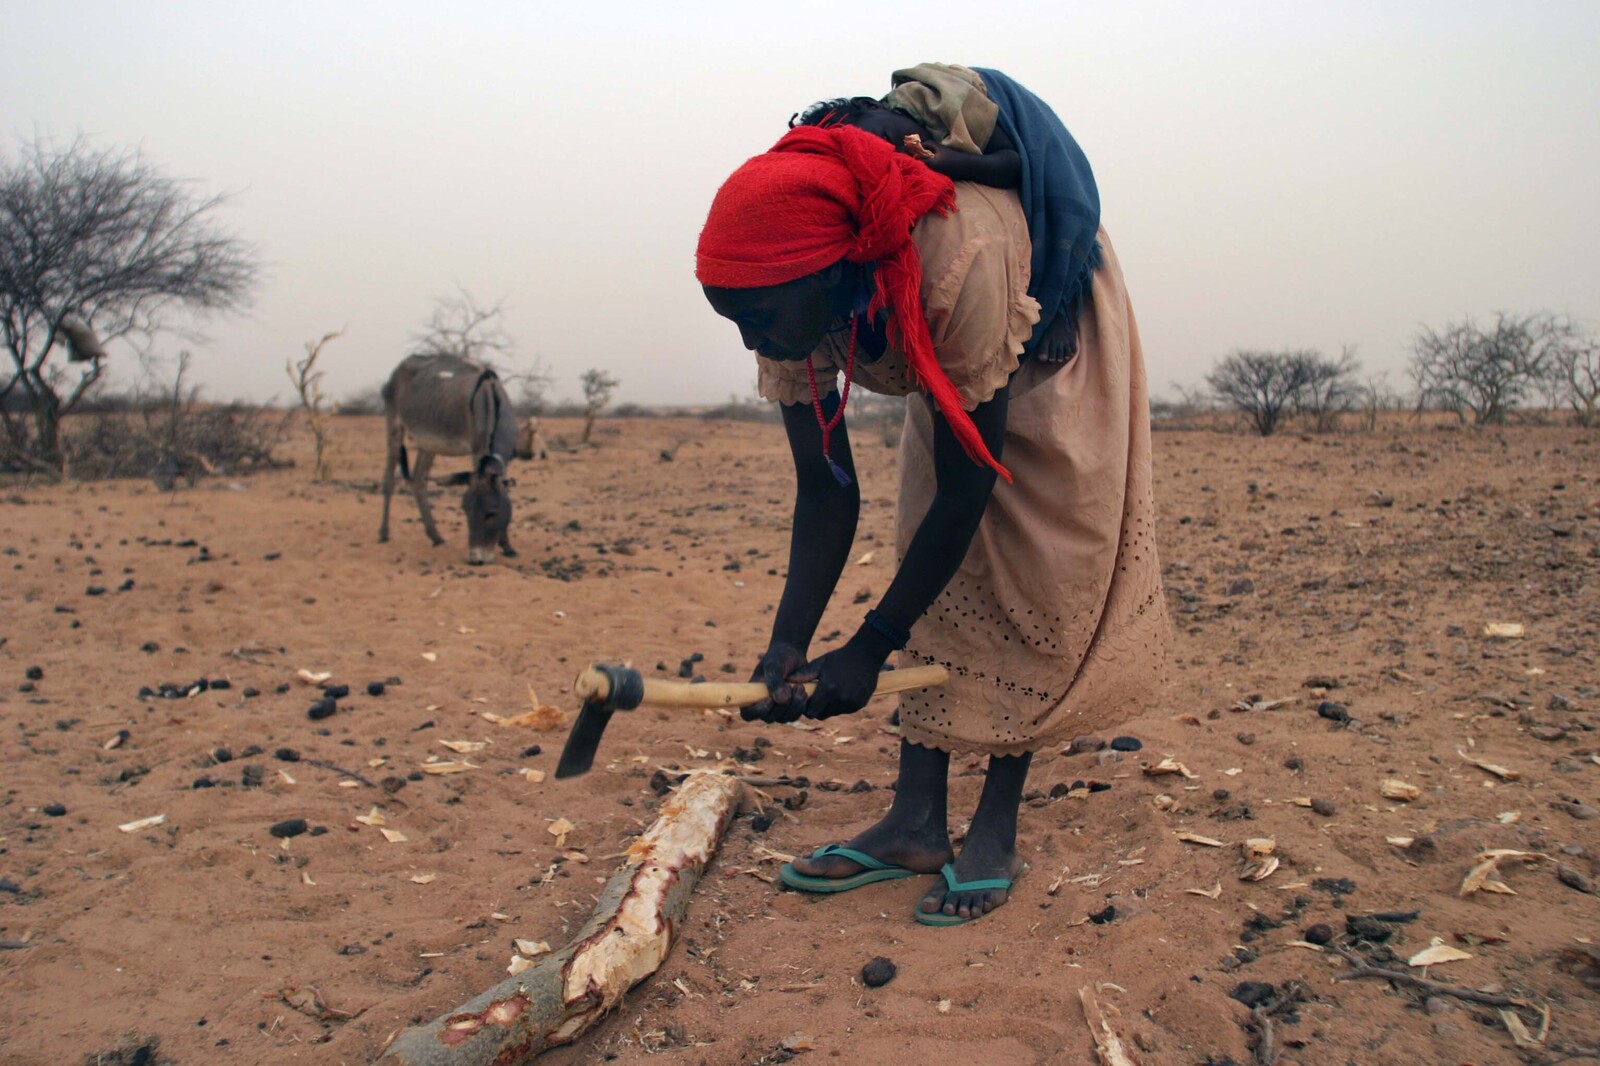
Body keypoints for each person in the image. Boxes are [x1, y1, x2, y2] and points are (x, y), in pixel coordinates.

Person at [696, 121, 1168, 925]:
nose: (752, 340)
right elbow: (827, 485)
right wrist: (790, 644)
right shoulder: (779, 290)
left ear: (836, 267)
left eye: (761, 321)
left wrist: (871, 645)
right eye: (731, 320)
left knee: (1028, 558)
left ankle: (996, 826)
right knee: (930, 542)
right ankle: (915, 823)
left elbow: (972, 483)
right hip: (924, 334)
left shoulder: (957, 257)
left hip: (1044, 332)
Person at [793, 64, 1100, 365]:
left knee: (1053, 205)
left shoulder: (938, 103)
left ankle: (1064, 305)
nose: (900, 152)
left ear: (873, 105)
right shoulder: (888, 153)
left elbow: (1012, 162)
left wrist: (954, 162)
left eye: (887, 135)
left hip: (1013, 128)